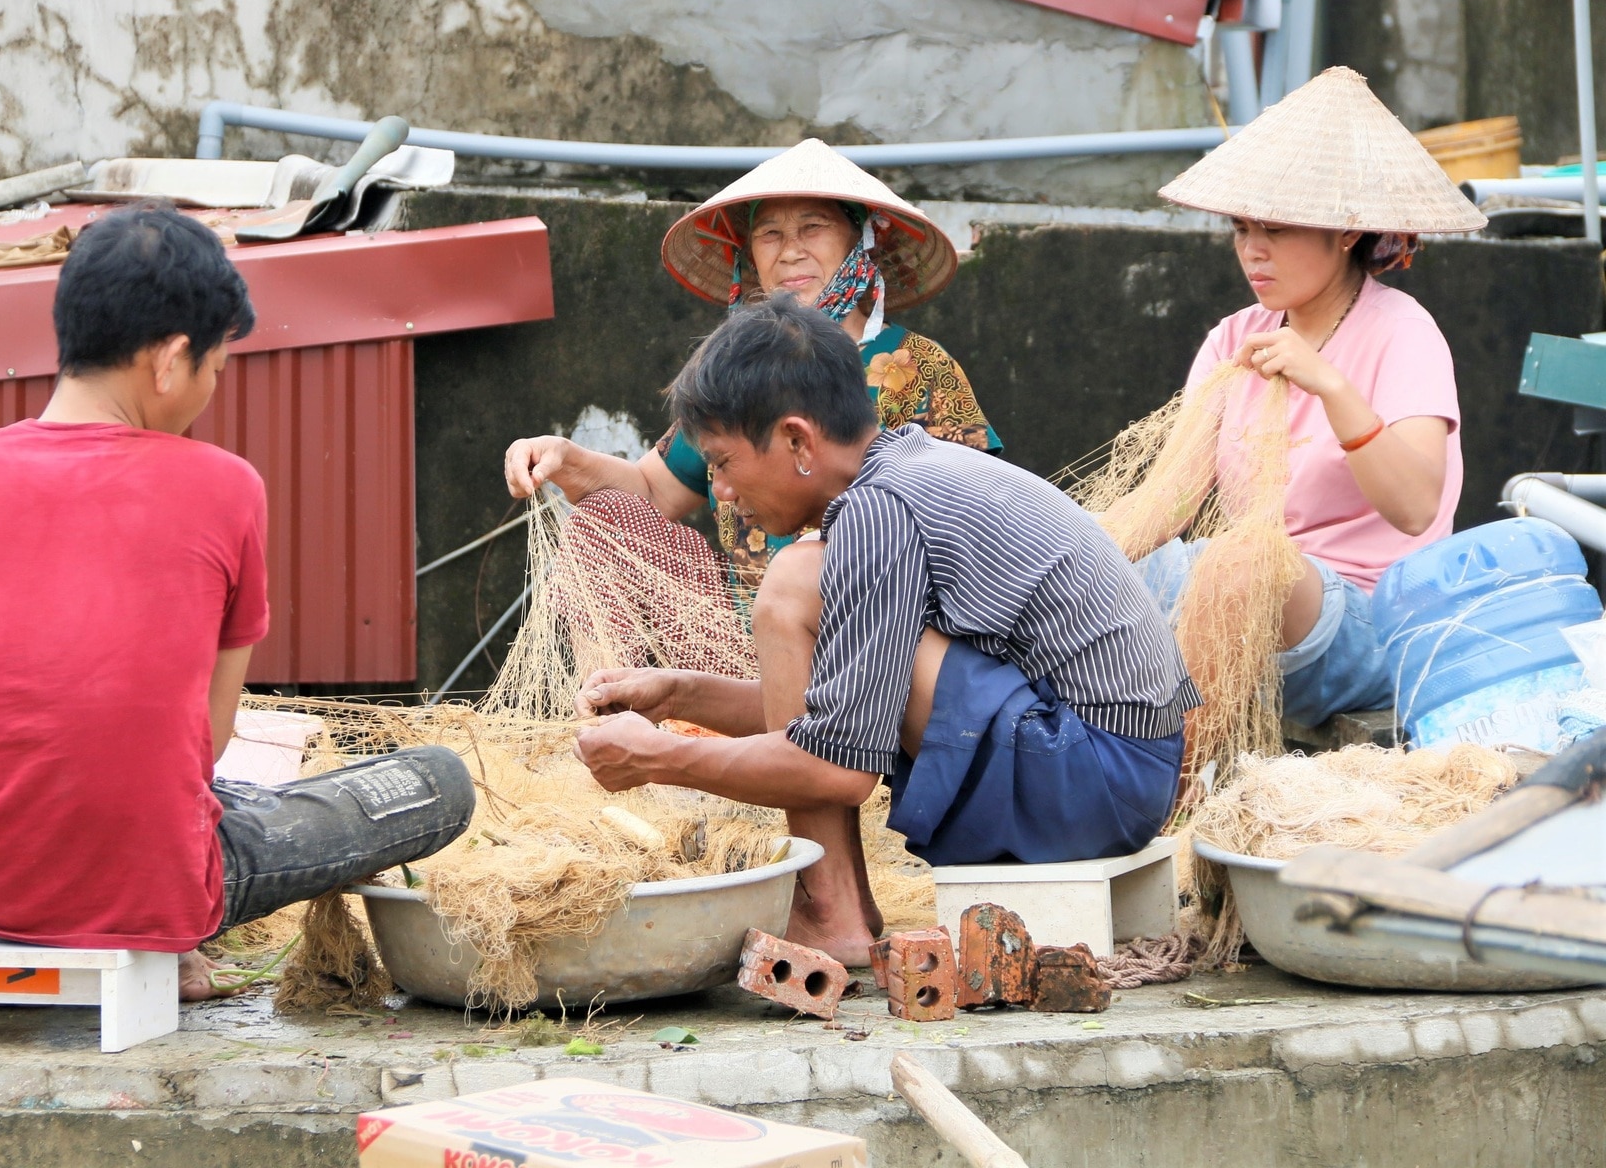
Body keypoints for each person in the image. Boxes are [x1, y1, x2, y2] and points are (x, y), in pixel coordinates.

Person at [0, 203, 474, 999]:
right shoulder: (225, 486)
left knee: (201, 794)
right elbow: (200, 745)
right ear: (171, 360)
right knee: (434, 782)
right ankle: (168, 943)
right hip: (156, 888)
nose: (212, 389)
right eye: (216, 368)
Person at [570, 297, 1197, 965]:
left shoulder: (878, 508)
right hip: (1123, 773)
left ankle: (829, 912)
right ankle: (835, 909)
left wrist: (659, 759)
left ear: (796, 440)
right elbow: (852, 706)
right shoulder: (903, 470)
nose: (719, 490)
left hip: (1095, 778)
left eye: (722, 463)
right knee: (806, 583)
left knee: (794, 582)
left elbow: (834, 764)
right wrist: (678, 695)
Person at [1139, 66, 1487, 727]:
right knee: (1126, 572)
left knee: (1245, 565)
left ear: (1347, 231)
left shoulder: (1402, 331)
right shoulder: (1234, 338)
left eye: (1276, 229)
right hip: (1242, 611)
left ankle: (1171, 800)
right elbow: (1166, 502)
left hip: (1373, 622)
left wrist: (1329, 384)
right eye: (1242, 229)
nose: (1253, 252)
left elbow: (1415, 508)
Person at [504, 139, 999, 600]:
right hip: (751, 641)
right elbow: (652, 491)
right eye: (769, 235)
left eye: (813, 228)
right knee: (605, 527)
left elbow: (971, 523)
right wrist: (565, 458)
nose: (790, 251)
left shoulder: (919, 366)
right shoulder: (741, 373)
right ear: (749, 258)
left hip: (879, 627)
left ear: (860, 240)